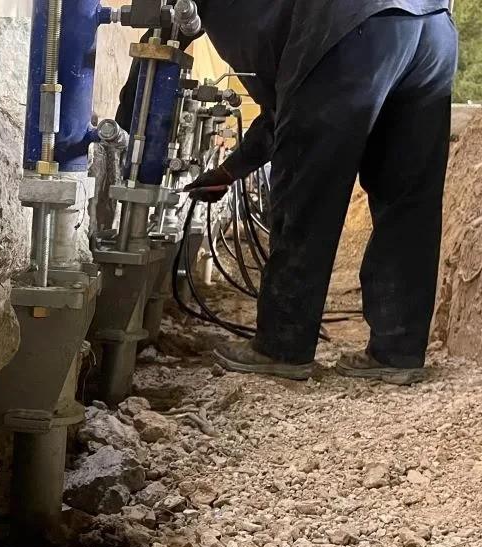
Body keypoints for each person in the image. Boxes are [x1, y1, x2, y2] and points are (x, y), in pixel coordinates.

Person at [120, 1, 459, 385]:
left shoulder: (214, 13)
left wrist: (124, 130)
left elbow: (290, 110)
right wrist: (233, 170)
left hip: (353, 28)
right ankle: (398, 352)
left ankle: (283, 346)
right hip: (432, 29)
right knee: (408, 199)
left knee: (306, 193)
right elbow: (293, 103)